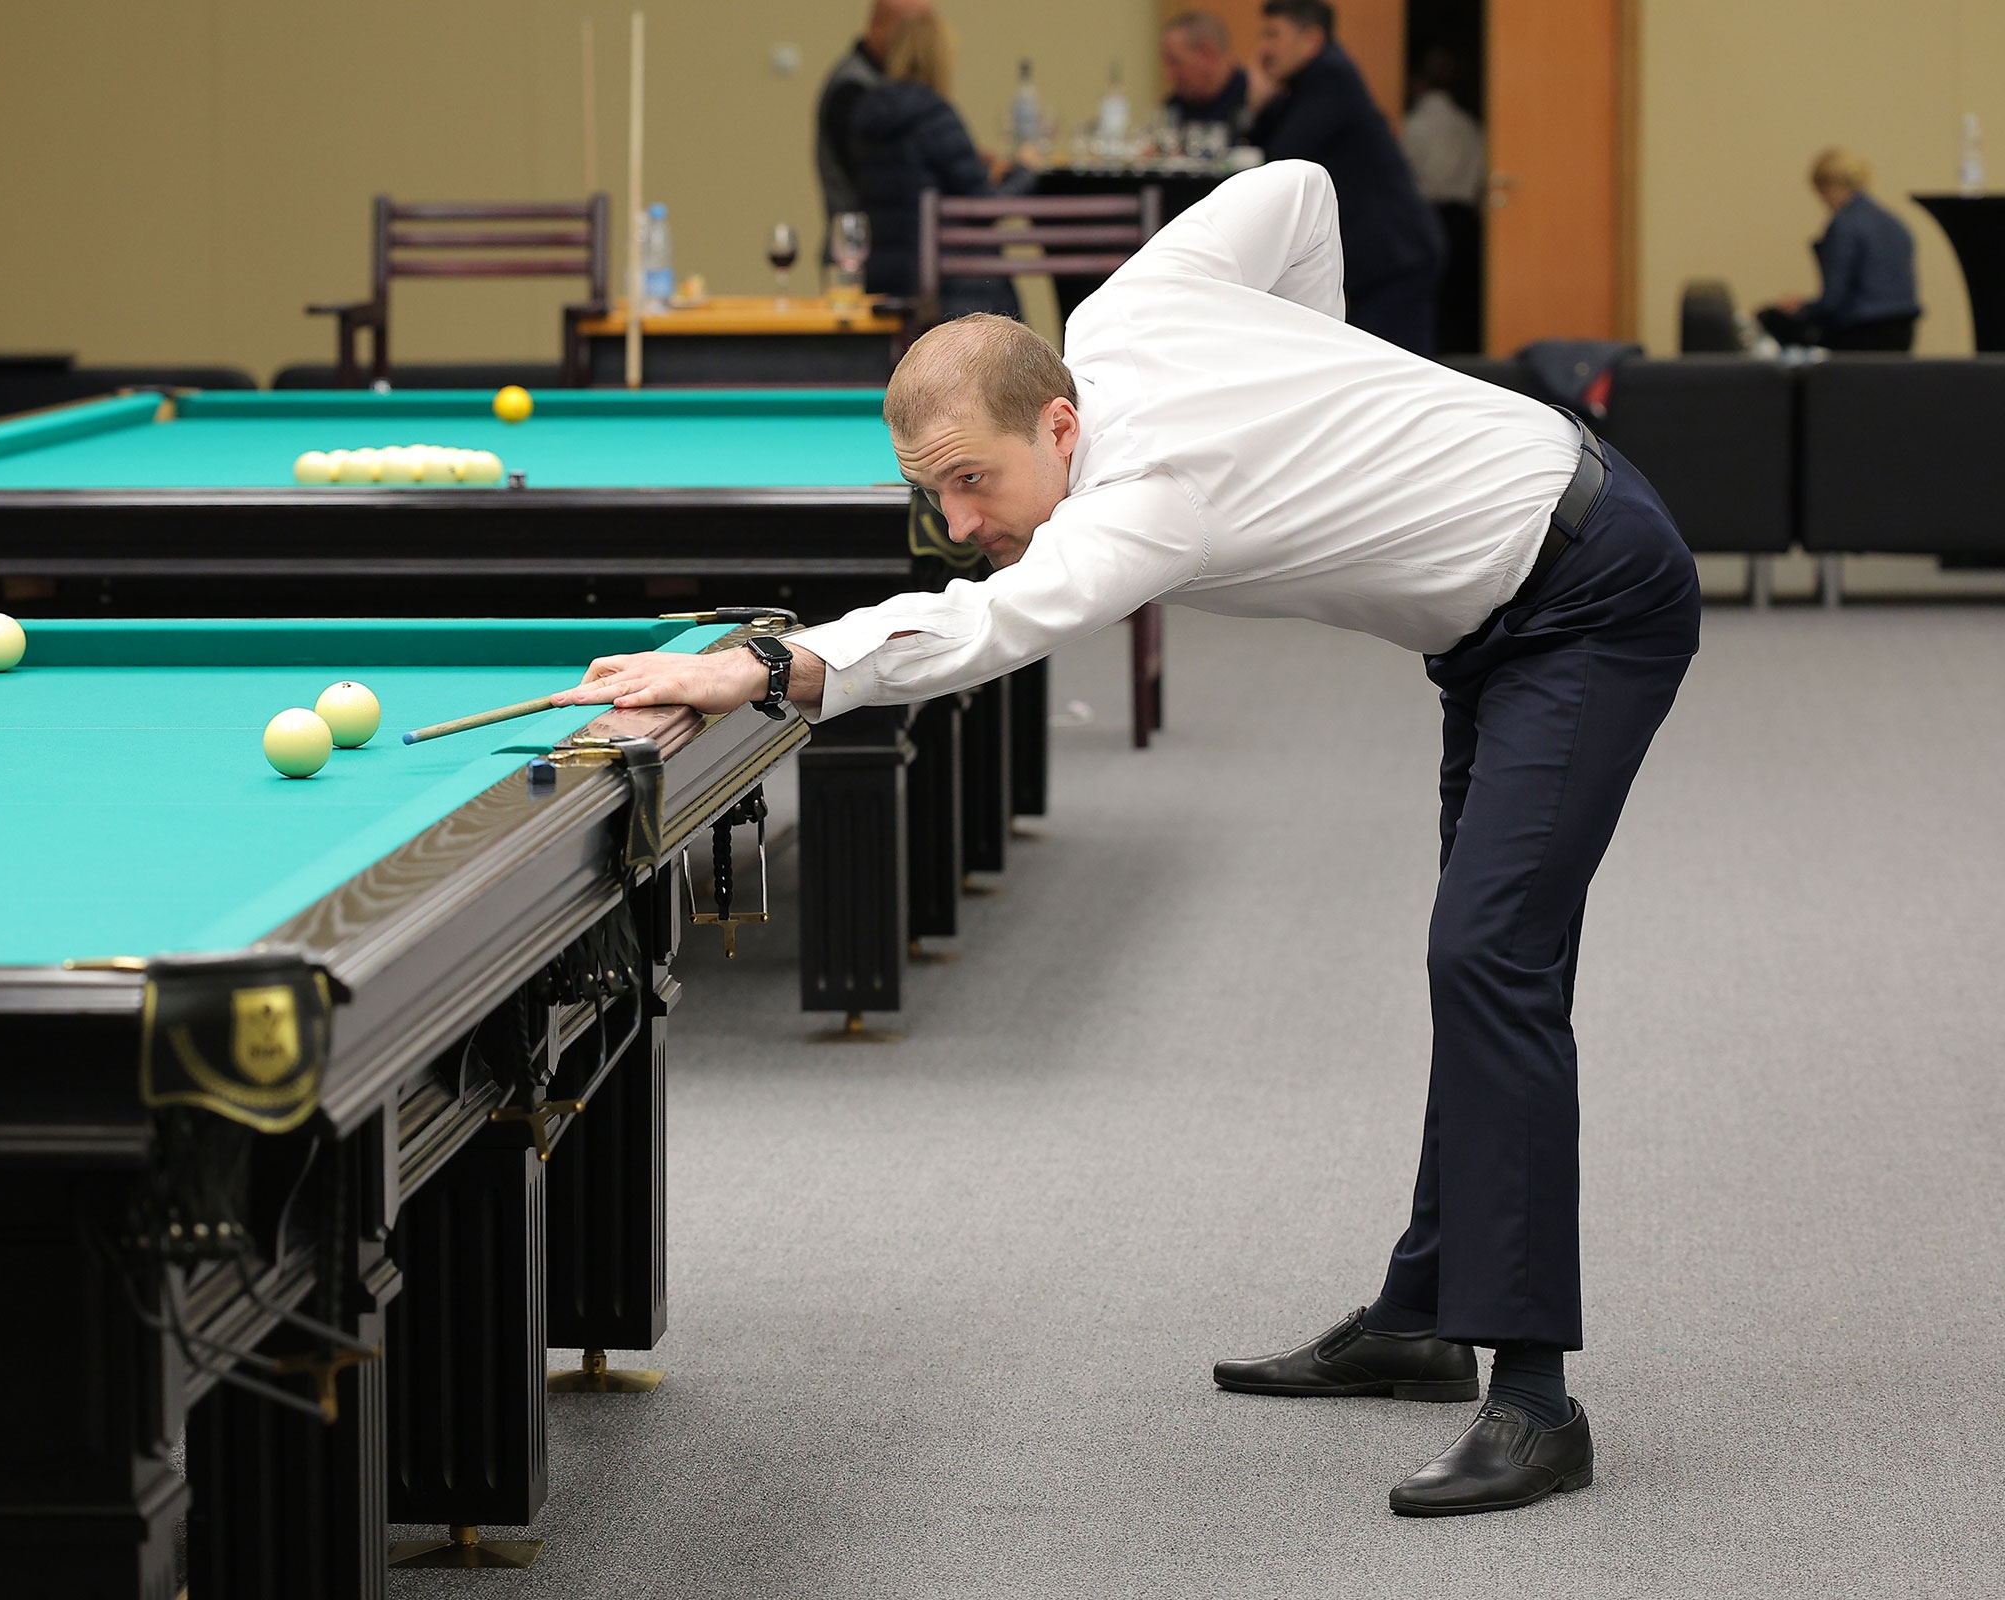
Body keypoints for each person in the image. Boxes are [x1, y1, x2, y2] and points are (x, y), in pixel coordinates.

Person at [554, 160, 1701, 1518]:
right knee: (1482, 955)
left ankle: (1538, 1399)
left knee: (1491, 956)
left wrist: (761, 661)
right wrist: (1320, 377)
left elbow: (986, 629)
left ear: (1059, 422)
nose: (960, 526)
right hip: (1494, 617)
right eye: (935, 498)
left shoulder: (1149, 495)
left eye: (972, 483)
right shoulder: (1120, 311)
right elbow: (1300, 193)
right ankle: (1426, 1316)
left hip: (1592, 592)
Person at [1245, 0, 1444, 355]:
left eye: (1273, 35)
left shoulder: (1330, 78)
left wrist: (1260, 101)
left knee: (1389, 367)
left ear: (1311, 40)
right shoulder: (1311, 81)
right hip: (1389, 253)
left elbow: (1284, 159)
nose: (1264, 49)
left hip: (1395, 254)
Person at [845, 10, 1029, 317]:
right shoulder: (934, 113)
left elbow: (907, 183)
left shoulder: (867, 114)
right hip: (947, 285)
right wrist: (1024, 170)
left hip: (885, 277)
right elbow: (984, 207)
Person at [1755, 149, 1919, 352]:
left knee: (1771, 318)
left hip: (1861, 331)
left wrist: (1802, 309)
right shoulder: (1895, 223)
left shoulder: (1844, 225)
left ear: (1831, 186)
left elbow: (1833, 300)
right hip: (1902, 331)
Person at [815, 0, 929, 256]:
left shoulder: (888, 86)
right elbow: (880, 176)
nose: (921, 40)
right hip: (860, 256)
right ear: (878, 26)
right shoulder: (852, 91)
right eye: (912, 29)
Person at [1400, 48, 1484, 354]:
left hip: (1429, 216)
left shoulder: (1412, 126)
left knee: (1435, 299)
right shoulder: (1469, 125)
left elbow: (1405, 176)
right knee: (1462, 301)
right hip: (1465, 221)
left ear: (1418, 83)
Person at [1160, 9, 1249, 136]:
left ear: (1207, 53)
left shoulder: (1254, 102)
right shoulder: (1174, 108)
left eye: (1175, 62)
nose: (1168, 75)